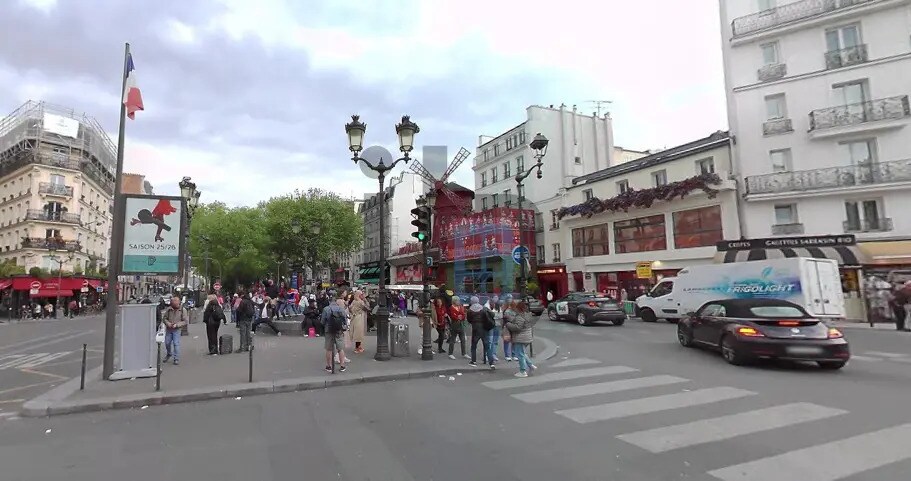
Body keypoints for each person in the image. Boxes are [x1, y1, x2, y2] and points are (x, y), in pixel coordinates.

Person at [505, 300, 537, 377]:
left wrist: (508, 324)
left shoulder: (520, 316)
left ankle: (523, 371)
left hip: (521, 338)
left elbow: (518, 327)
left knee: (520, 354)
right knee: (522, 353)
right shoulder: (527, 315)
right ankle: (530, 365)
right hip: (527, 337)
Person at [321, 297, 349, 373]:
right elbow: (345, 321)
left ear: (329, 301)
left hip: (329, 330)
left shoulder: (326, 309)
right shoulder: (341, 309)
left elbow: (322, 321)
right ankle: (342, 366)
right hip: (339, 330)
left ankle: (329, 366)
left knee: (329, 349)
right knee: (340, 348)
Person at [467, 296, 495, 369]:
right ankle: (491, 362)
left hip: (476, 328)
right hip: (484, 328)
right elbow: (492, 314)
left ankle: (473, 361)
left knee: (474, 345)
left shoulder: (470, 310)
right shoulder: (483, 308)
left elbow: (469, 320)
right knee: (487, 346)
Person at [161, 296, 187, 365]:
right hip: (169, 329)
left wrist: (177, 325)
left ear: (179, 302)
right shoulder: (169, 309)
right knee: (167, 343)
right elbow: (164, 318)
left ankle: (176, 358)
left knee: (176, 343)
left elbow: (185, 321)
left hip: (177, 329)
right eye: (173, 302)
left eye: (176, 302)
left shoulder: (182, 310)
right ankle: (169, 353)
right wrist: (168, 323)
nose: (174, 303)